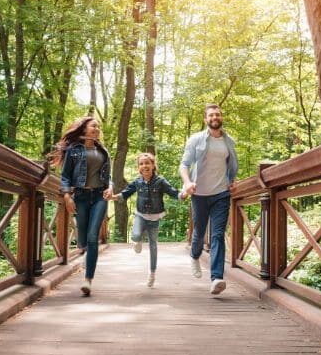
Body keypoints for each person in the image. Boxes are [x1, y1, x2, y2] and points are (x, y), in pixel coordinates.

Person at [48, 117, 113, 296]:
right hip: (81, 197)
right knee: (83, 239)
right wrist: (67, 196)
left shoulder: (103, 151)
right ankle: (85, 250)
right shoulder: (74, 150)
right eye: (93, 126)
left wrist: (111, 187)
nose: (97, 129)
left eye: (98, 126)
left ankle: (88, 280)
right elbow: (66, 175)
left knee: (93, 236)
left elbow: (108, 176)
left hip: (100, 196)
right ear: (84, 129)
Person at [179, 103, 238, 295]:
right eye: (211, 115)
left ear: (221, 117)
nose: (215, 117)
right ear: (206, 119)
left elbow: (231, 164)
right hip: (199, 194)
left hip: (221, 193)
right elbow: (184, 165)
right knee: (199, 231)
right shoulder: (196, 139)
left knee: (217, 234)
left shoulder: (229, 141)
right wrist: (188, 183)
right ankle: (195, 255)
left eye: (218, 114)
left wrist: (231, 181)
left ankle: (217, 278)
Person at [110, 153, 186, 287]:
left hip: (155, 217)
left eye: (147, 163)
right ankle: (138, 239)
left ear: (153, 165)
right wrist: (113, 197)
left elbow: (173, 192)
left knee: (153, 245)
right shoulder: (137, 181)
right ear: (138, 167)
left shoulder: (160, 181)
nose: (144, 166)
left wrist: (182, 195)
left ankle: (152, 273)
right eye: (141, 164)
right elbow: (125, 193)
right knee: (135, 235)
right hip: (140, 214)